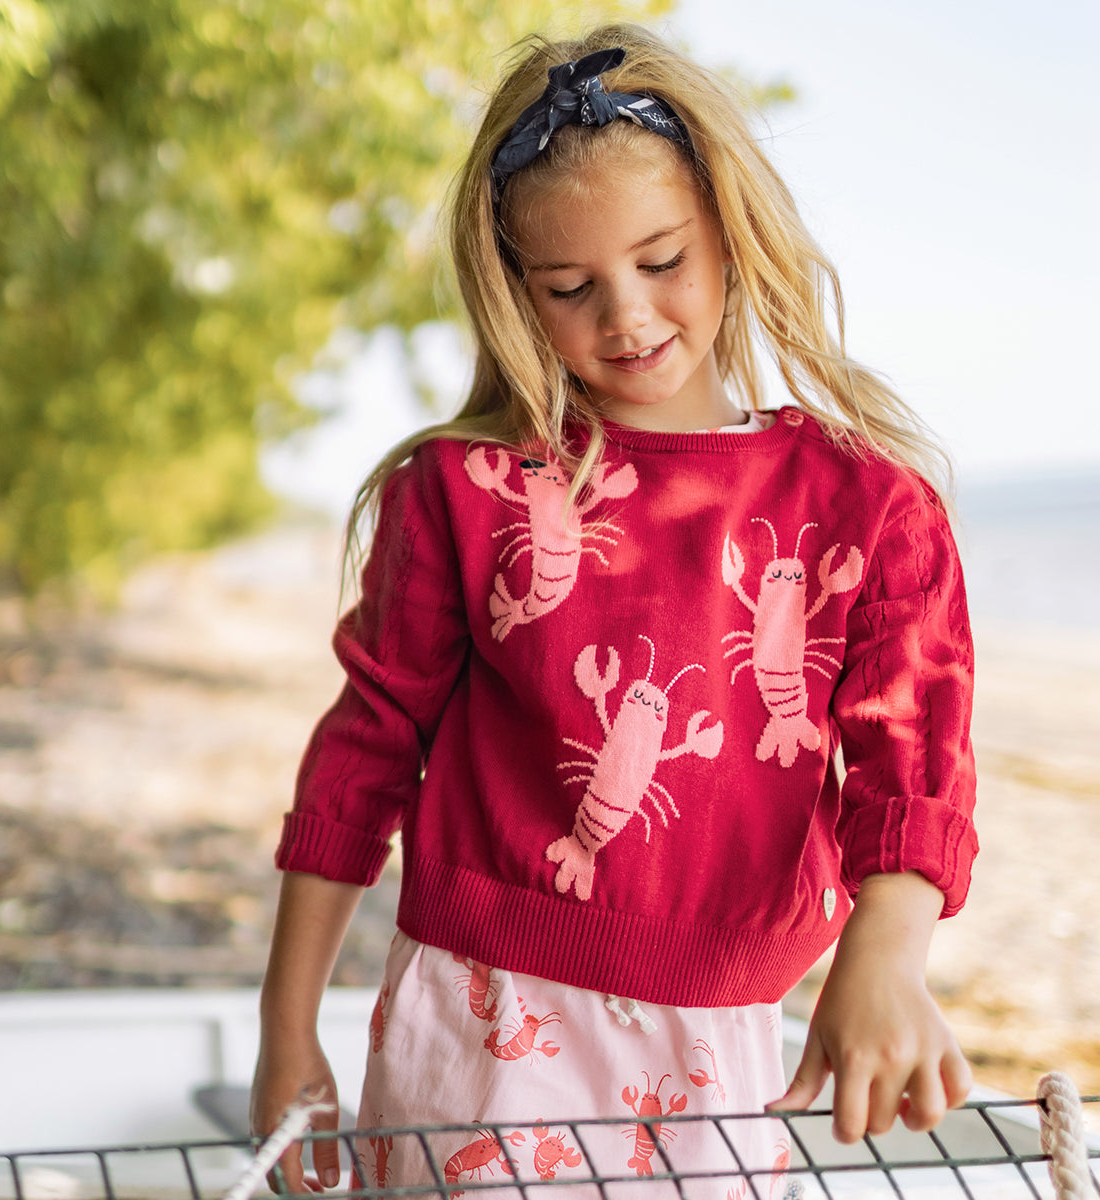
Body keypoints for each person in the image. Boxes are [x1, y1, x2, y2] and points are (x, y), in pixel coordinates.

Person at [251, 22, 977, 1198]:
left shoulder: (870, 506)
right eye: (571, 287)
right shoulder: (460, 489)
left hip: (729, 1038)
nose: (627, 317)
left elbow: (915, 763)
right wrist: (288, 1032)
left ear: (732, 237)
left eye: (662, 261)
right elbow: (363, 751)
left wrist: (884, 957)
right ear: (513, 293)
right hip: (475, 1017)